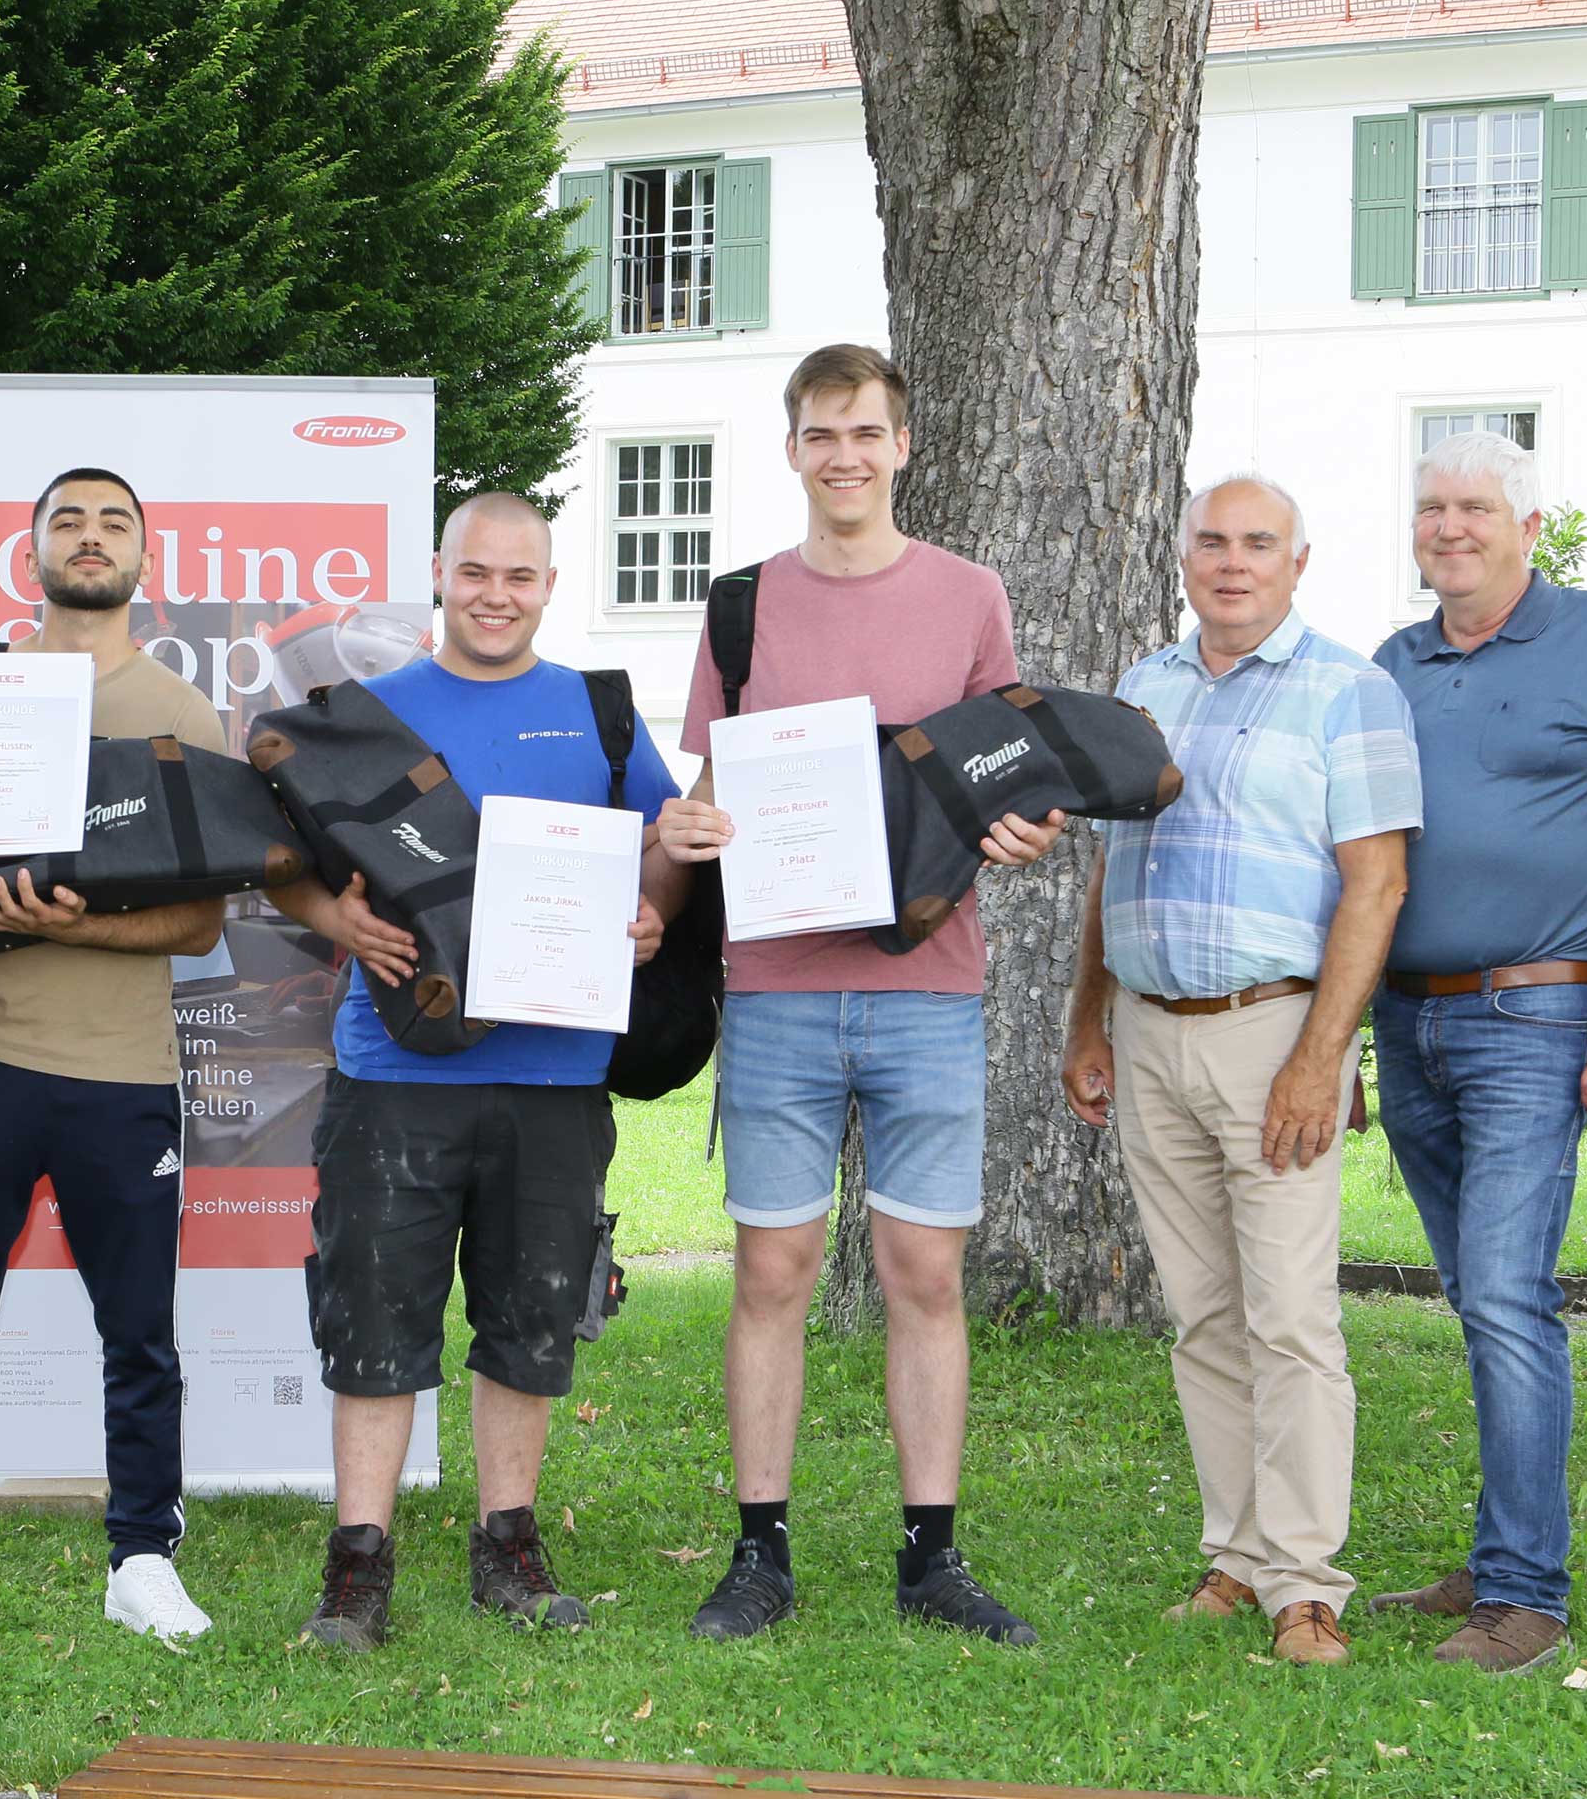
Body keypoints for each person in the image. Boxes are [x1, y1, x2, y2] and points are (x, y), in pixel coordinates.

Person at [654, 344, 1066, 1647]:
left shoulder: (969, 596)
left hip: (927, 990)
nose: (845, 456)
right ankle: (759, 1552)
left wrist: (1025, 831)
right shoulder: (739, 609)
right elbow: (705, 797)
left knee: (923, 1275)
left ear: (903, 446)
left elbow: (1011, 771)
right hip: (773, 986)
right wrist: (692, 835)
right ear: (791, 450)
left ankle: (930, 1558)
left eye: (866, 433)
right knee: (772, 1271)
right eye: (821, 434)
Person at [275, 493, 686, 1651]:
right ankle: (357, 1568)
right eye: (475, 573)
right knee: (371, 1314)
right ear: (439, 576)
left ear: (550, 584)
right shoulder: (362, 715)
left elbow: (653, 849)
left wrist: (649, 915)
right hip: (393, 1070)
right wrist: (337, 925)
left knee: (531, 1318)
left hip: (556, 1073)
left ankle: (508, 1547)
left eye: (520, 575)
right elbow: (282, 867)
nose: (495, 594)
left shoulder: (598, 713)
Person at [1059, 475, 1420, 1667]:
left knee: (1291, 1320)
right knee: (1201, 1315)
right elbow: (1111, 871)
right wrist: (1086, 1020)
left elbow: (1376, 884)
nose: (1230, 561)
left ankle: (1305, 1584)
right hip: (1148, 1031)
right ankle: (1237, 1553)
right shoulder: (1144, 689)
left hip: (1274, 1035)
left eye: (1256, 544)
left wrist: (1323, 1055)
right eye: (1210, 540)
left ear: (1296, 563)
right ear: (1180, 555)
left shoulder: (1348, 692)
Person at [1360, 432, 1587, 1674]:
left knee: (1506, 1294)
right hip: (1407, 1019)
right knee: (1476, 1296)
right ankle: (1502, 1547)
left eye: (1473, 507)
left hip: (1534, 1019)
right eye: (1429, 507)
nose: (1448, 527)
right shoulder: (1390, 663)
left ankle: (1525, 1596)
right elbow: (1359, 858)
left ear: (1527, 522)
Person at [0, 468, 226, 1650]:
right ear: (27, 556)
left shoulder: (181, 713)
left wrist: (68, 923)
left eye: (113, 521)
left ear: (142, 555)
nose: (89, 538)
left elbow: (199, 926)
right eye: (66, 522)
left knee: (139, 1335)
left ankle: (142, 1558)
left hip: (124, 1073)